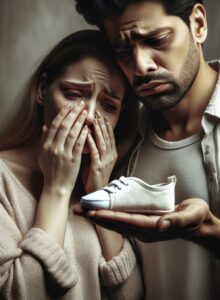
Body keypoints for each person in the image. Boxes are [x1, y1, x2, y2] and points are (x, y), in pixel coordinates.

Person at [74, 1, 220, 299]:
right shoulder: (118, 142)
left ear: (198, 24)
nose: (141, 66)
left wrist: (208, 231)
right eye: (123, 51)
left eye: (156, 40)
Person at [0, 29, 144, 300]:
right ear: (43, 89)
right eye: (74, 94)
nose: (90, 116)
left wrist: (100, 194)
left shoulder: (112, 185)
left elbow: (131, 295)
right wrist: (56, 189)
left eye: (108, 105)